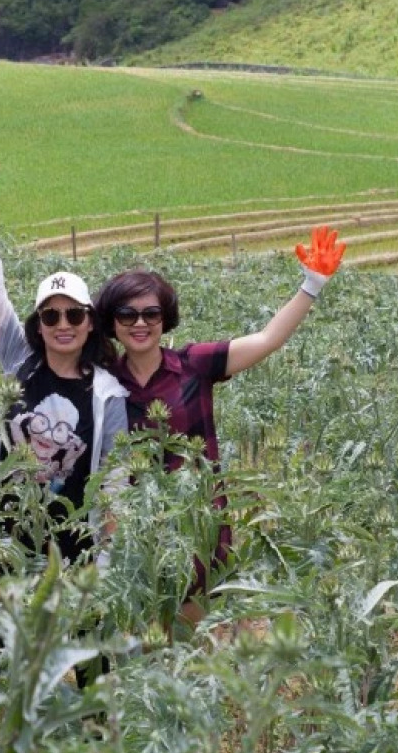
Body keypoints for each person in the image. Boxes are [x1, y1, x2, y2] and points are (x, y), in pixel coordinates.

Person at [0, 160, 129, 753]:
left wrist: (103, 561)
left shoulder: (109, 392)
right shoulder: (18, 360)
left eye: (74, 315)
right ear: (39, 323)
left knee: (79, 673)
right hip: (4, 547)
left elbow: (112, 478)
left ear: (90, 323)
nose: (62, 325)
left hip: (74, 555)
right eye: (51, 315)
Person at [94, 225, 345, 622]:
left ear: (165, 319)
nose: (139, 323)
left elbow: (267, 340)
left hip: (198, 529)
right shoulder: (103, 383)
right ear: (111, 322)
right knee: (142, 649)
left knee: (191, 645)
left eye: (151, 313)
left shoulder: (194, 365)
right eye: (126, 314)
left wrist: (311, 285)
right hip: (135, 533)